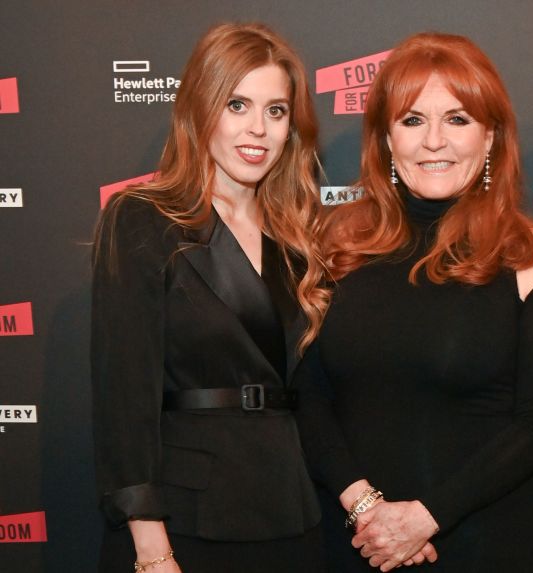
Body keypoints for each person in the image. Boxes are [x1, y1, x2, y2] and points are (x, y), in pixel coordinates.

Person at [295, 32, 533, 572]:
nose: (434, 141)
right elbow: (307, 395)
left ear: (490, 137)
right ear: (387, 140)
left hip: (484, 541)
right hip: (357, 542)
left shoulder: (529, 253)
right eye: (413, 120)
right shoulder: (339, 245)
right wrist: (367, 509)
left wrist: (427, 516)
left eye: (458, 119)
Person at [91, 23, 328, 572]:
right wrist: (151, 552)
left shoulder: (297, 237)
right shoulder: (144, 219)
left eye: (276, 110)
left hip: (291, 514)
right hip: (185, 522)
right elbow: (123, 396)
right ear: (201, 109)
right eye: (238, 104)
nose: (259, 129)